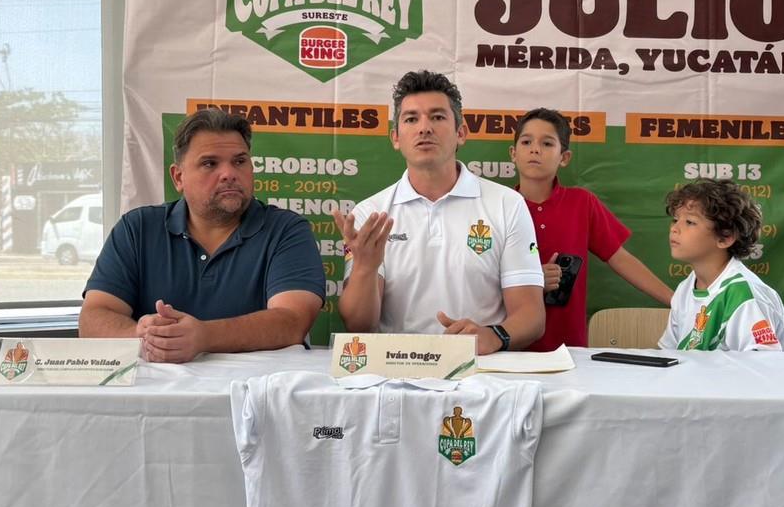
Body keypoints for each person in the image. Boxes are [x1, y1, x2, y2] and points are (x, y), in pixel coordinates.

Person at [79, 108, 325, 361]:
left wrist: (203, 336)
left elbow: (293, 321)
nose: (229, 173)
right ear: (178, 177)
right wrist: (143, 336)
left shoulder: (286, 230)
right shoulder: (137, 228)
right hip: (156, 393)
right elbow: (94, 316)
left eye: (240, 161)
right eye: (210, 163)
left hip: (253, 394)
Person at [334, 70, 544, 355]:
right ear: (396, 137)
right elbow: (359, 326)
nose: (424, 128)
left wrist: (494, 336)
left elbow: (531, 315)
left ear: (461, 133)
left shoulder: (507, 204)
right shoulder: (371, 213)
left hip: (482, 374)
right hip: (395, 371)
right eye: (411, 119)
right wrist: (365, 269)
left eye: (437, 117)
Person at [510, 108, 672, 351]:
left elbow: (620, 258)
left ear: (564, 157)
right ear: (513, 153)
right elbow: (479, 277)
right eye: (526, 141)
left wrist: (678, 302)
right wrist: (531, 281)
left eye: (547, 143)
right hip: (510, 348)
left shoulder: (581, 203)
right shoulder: (499, 205)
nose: (535, 149)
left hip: (568, 348)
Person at [658, 178, 784, 352]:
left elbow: (762, 368)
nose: (674, 228)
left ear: (725, 237)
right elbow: (668, 354)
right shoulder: (685, 288)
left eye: (690, 222)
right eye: (675, 220)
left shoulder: (744, 296)